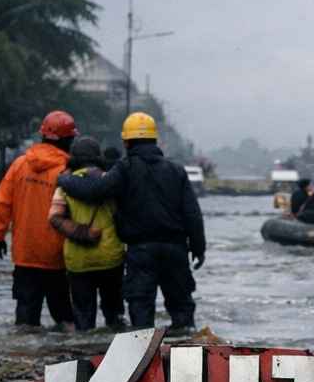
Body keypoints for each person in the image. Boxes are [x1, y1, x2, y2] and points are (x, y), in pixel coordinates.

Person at [55, 111, 205, 332]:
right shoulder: (176, 171)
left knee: (141, 319)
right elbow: (192, 214)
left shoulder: (125, 169)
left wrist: (64, 179)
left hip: (140, 252)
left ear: (126, 141)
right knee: (182, 315)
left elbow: (94, 191)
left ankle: (145, 362)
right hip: (176, 251)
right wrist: (199, 248)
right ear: (155, 140)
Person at [0, 109, 78, 327]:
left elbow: (2, 201)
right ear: (68, 139)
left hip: (25, 255)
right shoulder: (68, 170)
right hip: (58, 257)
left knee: (26, 321)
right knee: (66, 319)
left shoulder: (20, 164)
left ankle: (25, 359)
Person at [48, 136, 126, 331]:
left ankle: (85, 356)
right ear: (98, 156)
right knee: (114, 314)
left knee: (83, 318)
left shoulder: (64, 187)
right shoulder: (110, 183)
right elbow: (122, 216)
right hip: (111, 258)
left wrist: (82, 232)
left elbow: (54, 218)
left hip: (78, 261)